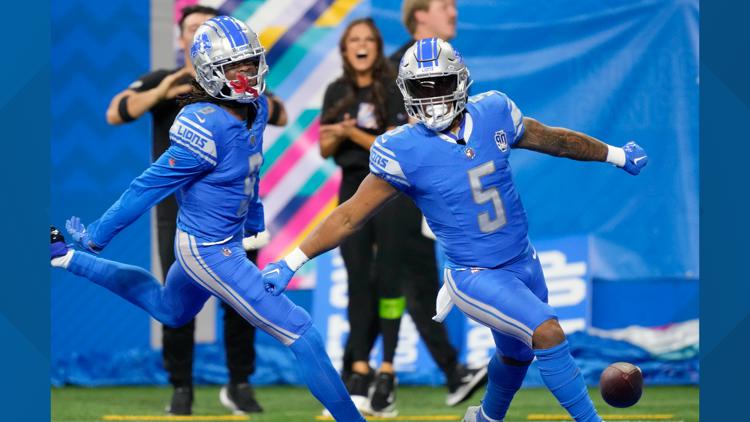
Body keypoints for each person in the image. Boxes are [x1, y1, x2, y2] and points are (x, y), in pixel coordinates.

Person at [262, 38, 648, 422]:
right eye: (421, 88)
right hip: (474, 274)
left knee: (517, 356)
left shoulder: (495, 112)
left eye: (441, 85)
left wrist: (614, 154)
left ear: (461, 82)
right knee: (547, 332)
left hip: (523, 261)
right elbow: (349, 216)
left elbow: (556, 141)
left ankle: (485, 418)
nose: (432, 98)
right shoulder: (403, 149)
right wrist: (293, 260)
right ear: (407, 92)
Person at [52, 16, 366, 422]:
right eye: (236, 67)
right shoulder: (203, 124)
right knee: (301, 332)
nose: (248, 74)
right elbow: (147, 187)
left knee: (170, 310)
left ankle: (65, 258)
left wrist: (254, 220)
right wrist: (97, 234)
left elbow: (251, 170)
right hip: (208, 249)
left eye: (251, 63)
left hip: (227, 241)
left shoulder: (257, 106)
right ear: (210, 71)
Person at [104, 5, 286, 415]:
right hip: (178, 209)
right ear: (183, 39)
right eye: (192, 28)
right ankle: (181, 385)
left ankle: (240, 382)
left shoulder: (244, 86)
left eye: (207, 27)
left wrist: (259, 97)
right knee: (176, 298)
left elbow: (281, 112)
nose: (200, 33)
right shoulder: (166, 79)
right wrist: (164, 90)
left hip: (233, 207)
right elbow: (116, 111)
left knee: (244, 296)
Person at [383, 0, 489, 407]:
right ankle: (368, 377)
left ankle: (447, 372)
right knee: (389, 285)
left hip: (432, 195)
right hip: (398, 195)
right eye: (445, 4)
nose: (455, 11)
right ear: (419, 15)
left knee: (419, 283)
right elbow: (390, 135)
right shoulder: (397, 65)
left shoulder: (452, 65)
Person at [319, 18, 407, 416]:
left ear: (376, 46)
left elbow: (393, 147)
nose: (361, 46)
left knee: (389, 277)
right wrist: (338, 134)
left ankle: (387, 370)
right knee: (358, 279)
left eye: (368, 39)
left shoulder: (392, 88)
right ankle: (358, 368)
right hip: (351, 188)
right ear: (344, 49)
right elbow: (323, 146)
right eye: (353, 39)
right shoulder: (336, 90)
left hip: (389, 189)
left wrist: (351, 134)